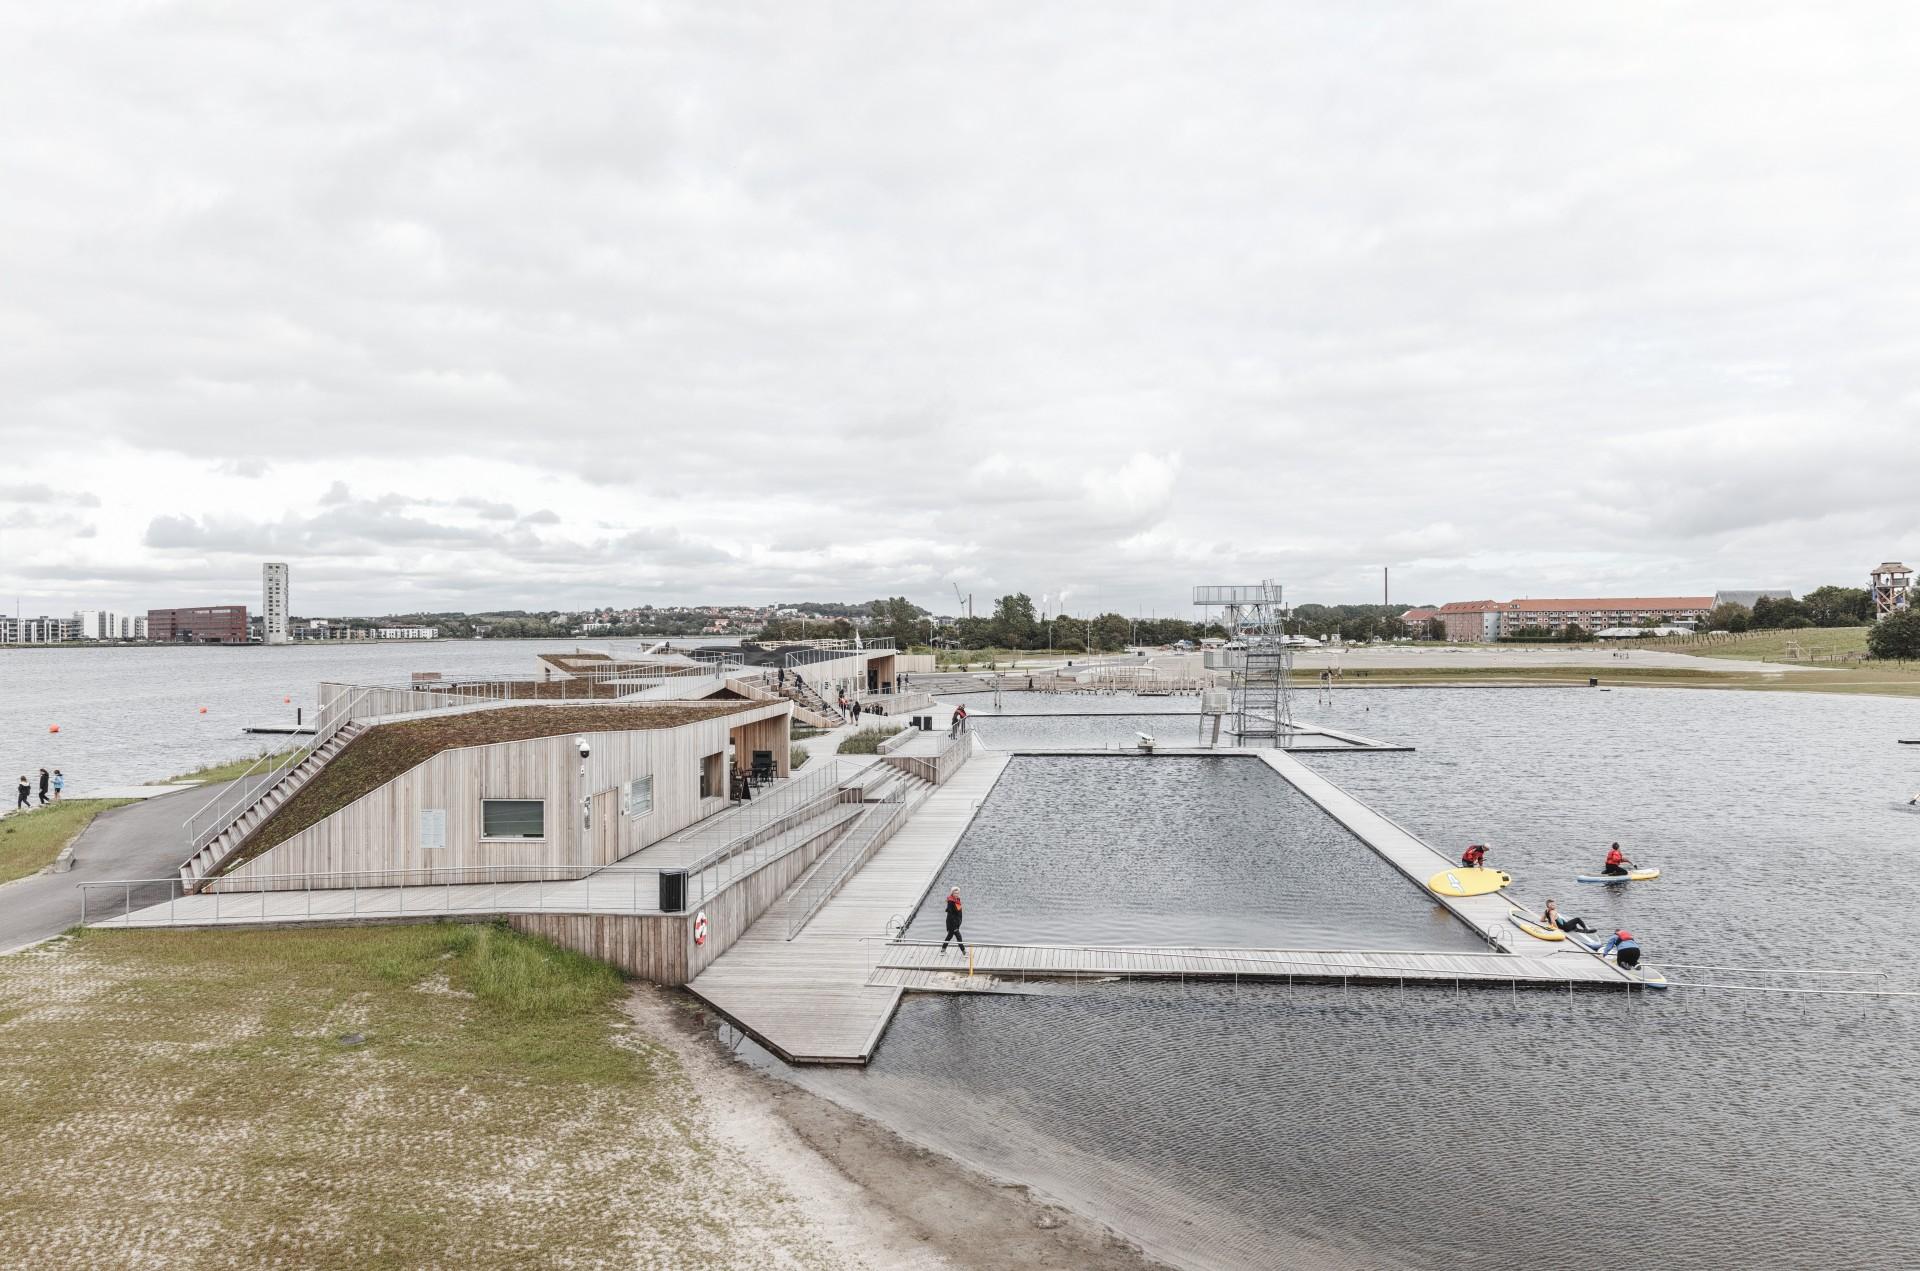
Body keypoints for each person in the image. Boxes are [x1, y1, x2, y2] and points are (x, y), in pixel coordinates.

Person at [940, 886, 967, 954]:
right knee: (959, 937)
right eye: (955, 893)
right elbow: (950, 914)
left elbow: (959, 911)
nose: (956, 895)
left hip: (956, 922)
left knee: (949, 936)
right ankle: (964, 951)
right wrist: (955, 924)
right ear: (952, 893)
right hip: (952, 923)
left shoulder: (957, 900)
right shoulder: (951, 902)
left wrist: (959, 921)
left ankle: (943, 949)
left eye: (957, 893)